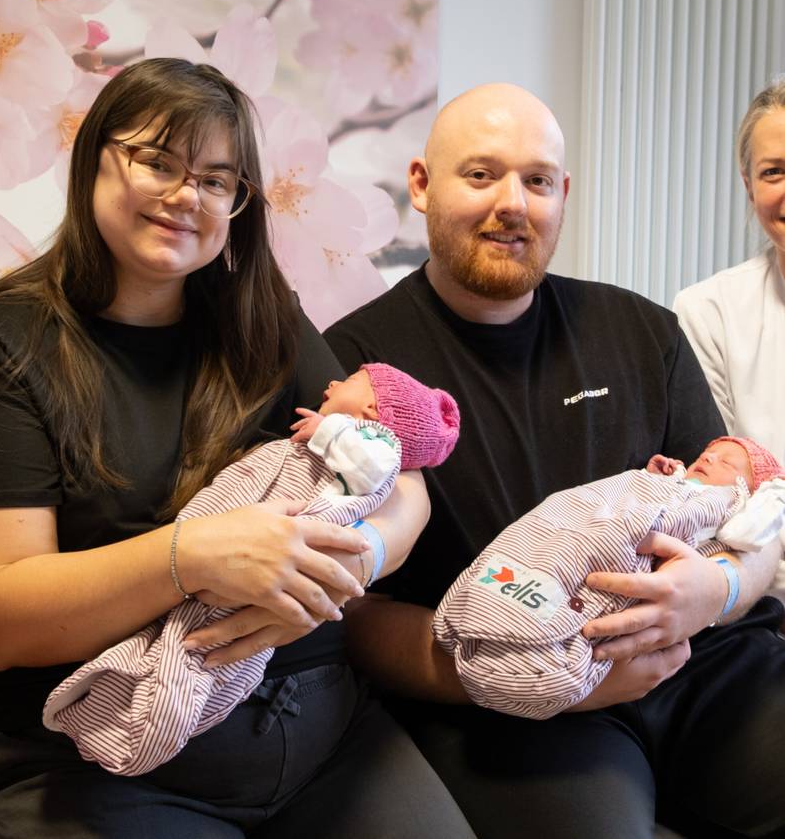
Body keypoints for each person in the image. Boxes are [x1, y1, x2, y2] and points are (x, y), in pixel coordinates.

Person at [0, 58, 472, 839]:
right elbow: (2, 618)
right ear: (92, 162)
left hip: (318, 730)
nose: (189, 196)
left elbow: (403, 484)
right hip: (92, 757)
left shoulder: (263, 322)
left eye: (218, 180)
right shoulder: (2, 349)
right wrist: (193, 556)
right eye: (158, 161)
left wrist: (348, 566)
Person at [324, 82, 785, 839]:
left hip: (704, 666)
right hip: (518, 706)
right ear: (421, 184)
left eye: (537, 181)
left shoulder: (643, 331)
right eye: (480, 174)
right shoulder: (360, 370)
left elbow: (751, 526)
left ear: (562, 194)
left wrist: (720, 589)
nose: (513, 203)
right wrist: (532, 681)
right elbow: (349, 617)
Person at [43, 364, 460, 776]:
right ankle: (118, 705)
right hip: (209, 555)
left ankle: (152, 725)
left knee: (204, 649)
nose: (331, 381)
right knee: (170, 636)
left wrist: (329, 434)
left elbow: (385, 470)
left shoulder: (370, 444)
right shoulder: (325, 439)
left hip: (267, 577)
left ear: (371, 412)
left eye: (349, 381)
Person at [434, 436, 785, 720]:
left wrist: (722, 584)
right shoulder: (665, 481)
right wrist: (664, 473)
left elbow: (759, 536)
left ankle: (537, 647)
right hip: (583, 528)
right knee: (558, 545)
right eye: (708, 454)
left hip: (709, 650)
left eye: (726, 463)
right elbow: (638, 494)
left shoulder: (732, 503)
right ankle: (490, 607)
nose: (708, 460)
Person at [674, 76, 785, 602]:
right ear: (748, 184)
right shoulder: (707, 311)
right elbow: (715, 501)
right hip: (762, 604)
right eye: (774, 172)